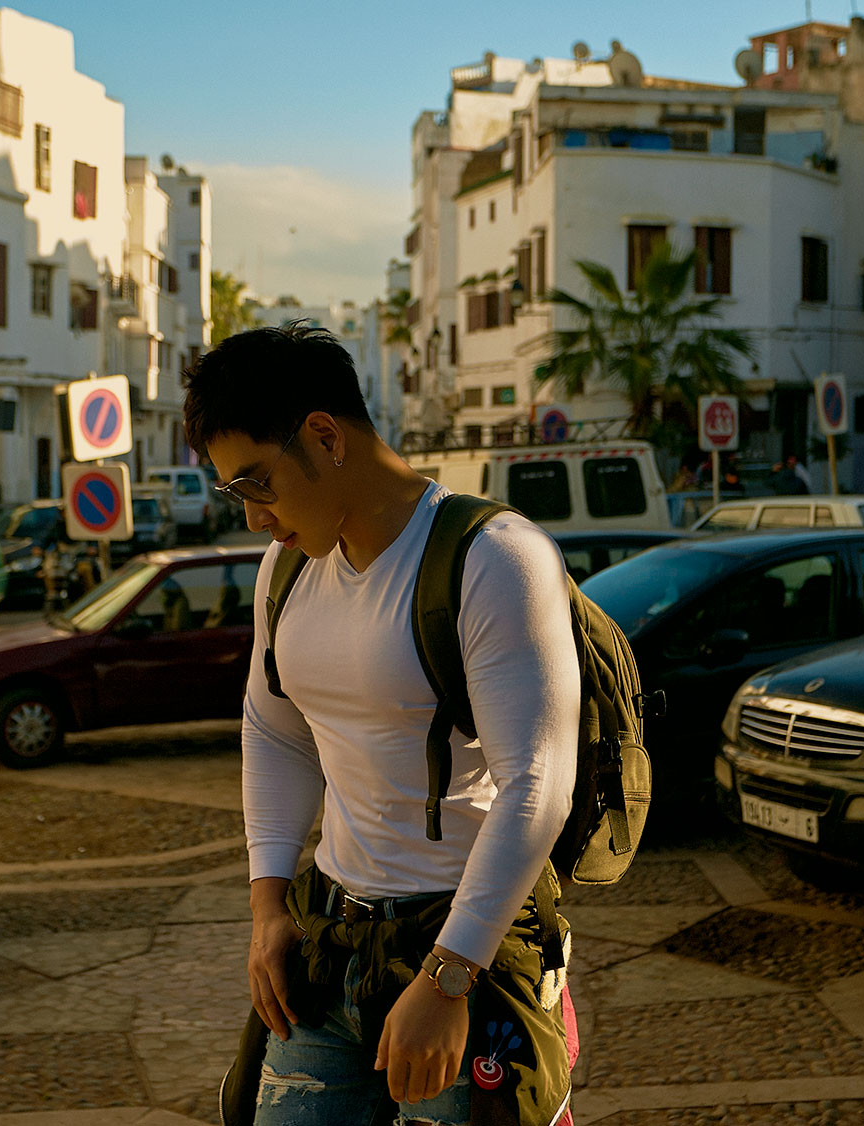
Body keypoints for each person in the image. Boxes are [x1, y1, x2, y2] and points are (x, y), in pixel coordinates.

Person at [187, 322, 579, 1126]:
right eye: (235, 494)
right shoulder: (287, 568)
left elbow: (537, 785)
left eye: (257, 483)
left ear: (324, 437)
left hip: (466, 948)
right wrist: (268, 909)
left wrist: (449, 978)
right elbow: (274, 730)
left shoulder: (494, 557)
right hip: (333, 944)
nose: (253, 517)